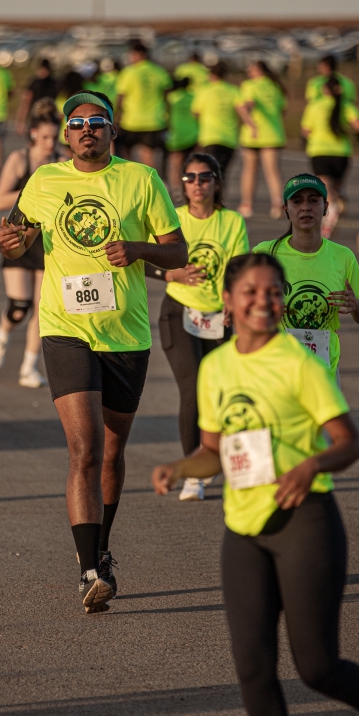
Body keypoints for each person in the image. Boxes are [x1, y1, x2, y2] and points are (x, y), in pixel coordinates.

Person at [150, 252, 359, 716]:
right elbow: (212, 451)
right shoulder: (215, 368)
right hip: (244, 531)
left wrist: (309, 467)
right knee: (253, 668)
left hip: (305, 522)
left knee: (317, 667)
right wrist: (179, 468)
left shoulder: (300, 365)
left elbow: (350, 443)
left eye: (273, 292)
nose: (264, 301)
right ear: (228, 301)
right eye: (251, 292)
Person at [0, 90, 187, 614]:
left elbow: (178, 252)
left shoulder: (141, 180)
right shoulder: (44, 180)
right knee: (85, 450)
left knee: (112, 453)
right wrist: (11, 244)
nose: (87, 130)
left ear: (112, 131)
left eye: (96, 122)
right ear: (65, 134)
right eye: (77, 123)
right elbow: (14, 235)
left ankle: (101, 549)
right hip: (65, 330)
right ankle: (88, 570)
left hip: (126, 335)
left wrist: (139, 249)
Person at [149, 153, 248, 501]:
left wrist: (233, 298)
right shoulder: (172, 218)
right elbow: (142, 259)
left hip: (220, 317)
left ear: (217, 182)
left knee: (219, 395)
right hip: (179, 313)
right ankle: (194, 474)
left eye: (204, 177)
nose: (197, 184)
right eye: (189, 178)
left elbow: (239, 267)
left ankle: (219, 459)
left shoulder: (232, 222)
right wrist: (170, 274)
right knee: (193, 388)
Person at [254, 174, 359, 381]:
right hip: (275, 371)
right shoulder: (265, 254)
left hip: (323, 373)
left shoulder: (343, 256)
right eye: (297, 201)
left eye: (313, 200)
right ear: (286, 209)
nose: (305, 207)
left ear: (326, 207)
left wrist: (356, 305)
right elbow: (242, 308)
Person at [0, 98, 63, 389]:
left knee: (42, 310)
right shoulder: (20, 160)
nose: (49, 144)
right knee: (20, 306)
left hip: (49, 242)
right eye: (44, 138)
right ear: (33, 134)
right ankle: (3, 331)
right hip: (20, 237)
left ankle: (28, 366)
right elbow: (0, 200)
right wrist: (33, 191)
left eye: (54, 138)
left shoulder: (62, 162)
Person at [300, 77, 359, 238]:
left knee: (325, 185)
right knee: (335, 185)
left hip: (320, 150)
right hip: (341, 152)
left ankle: (331, 211)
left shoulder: (314, 105)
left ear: (324, 90)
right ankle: (337, 200)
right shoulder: (346, 105)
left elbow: (305, 130)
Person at [238, 61, 287, 219]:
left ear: (258, 70)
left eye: (251, 68)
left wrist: (250, 123)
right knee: (272, 171)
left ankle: (247, 204)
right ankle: (278, 204)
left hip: (253, 134)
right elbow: (282, 109)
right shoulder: (275, 86)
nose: (248, 71)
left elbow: (247, 105)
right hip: (273, 134)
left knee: (249, 170)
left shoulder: (249, 85)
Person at [191, 62, 255, 180]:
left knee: (210, 172)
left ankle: (213, 192)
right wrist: (252, 126)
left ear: (211, 75)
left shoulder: (204, 90)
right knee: (222, 172)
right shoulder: (233, 90)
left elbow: (196, 112)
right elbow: (242, 111)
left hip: (210, 136)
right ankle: (220, 191)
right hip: (229, 137)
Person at [114, 42, 172, 168]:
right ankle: (150, 178)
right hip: (154, 120)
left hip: (131, 120)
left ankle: (130, 176)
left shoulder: (129, 72)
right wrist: (168, 117)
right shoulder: (159, 71)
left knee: (126, 153)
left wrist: (117, 116)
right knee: (148, 153)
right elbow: (167, 97)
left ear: (139, 54)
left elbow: (121, 98)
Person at [164, 77, 197, 200]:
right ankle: (189, 188)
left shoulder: (172, 98)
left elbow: (165, 114)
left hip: (176, 133)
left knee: (175, 164)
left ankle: (176, 189)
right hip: (193, 132)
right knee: (190, 163)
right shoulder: (193, 96)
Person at [15, 59, 58, 135]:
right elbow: (26, 103)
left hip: (49, 118)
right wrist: (21, 122)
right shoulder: (36, 83)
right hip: (37, 118)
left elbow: (25, 103)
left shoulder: (53, 83)